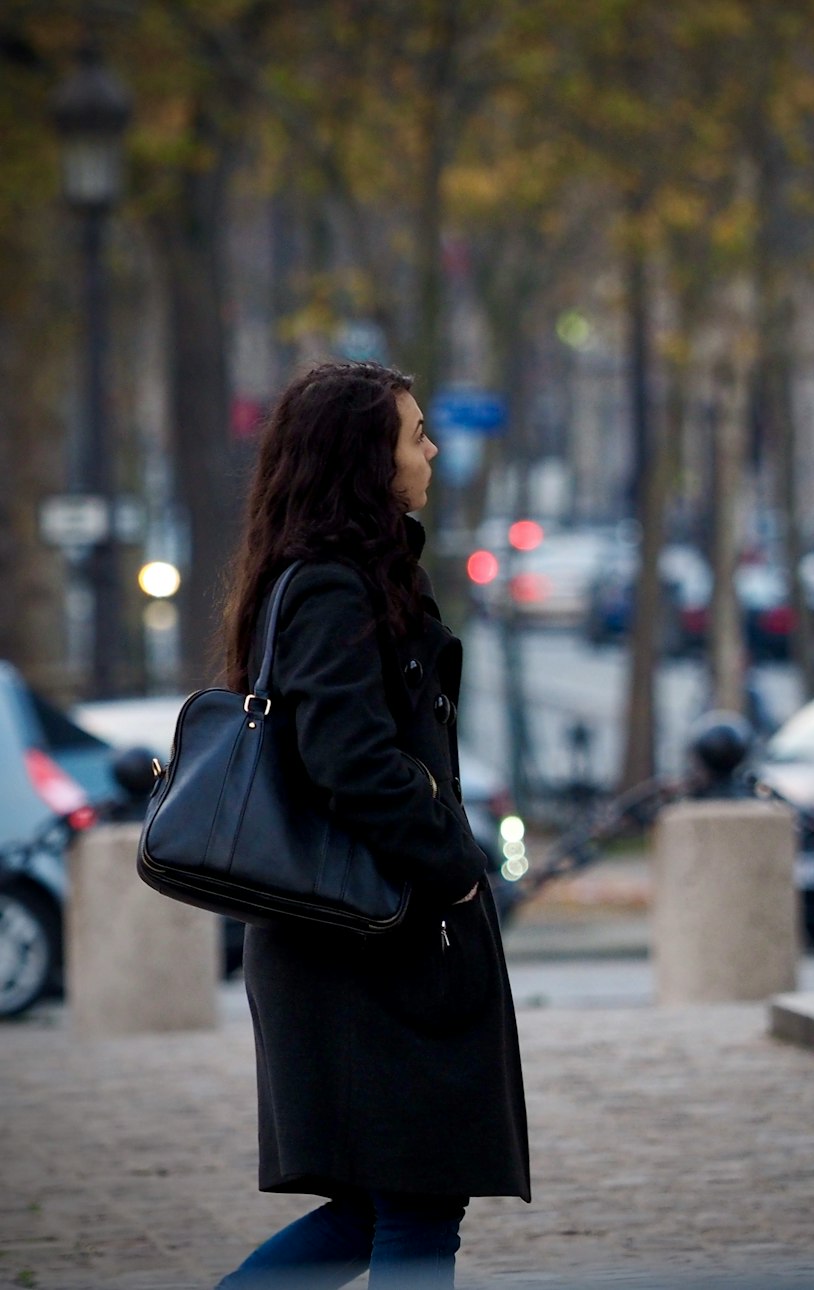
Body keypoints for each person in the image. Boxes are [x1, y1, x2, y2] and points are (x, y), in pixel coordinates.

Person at [215, 360, 530, 1289]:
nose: (430, 450)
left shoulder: (353, 575)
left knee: (385, 1201)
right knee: (417, 1198)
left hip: (371, 938)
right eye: (415, 435)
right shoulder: (331, 586)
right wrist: (457, 867)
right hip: (369, 943)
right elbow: (349, 759)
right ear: (367, 459)